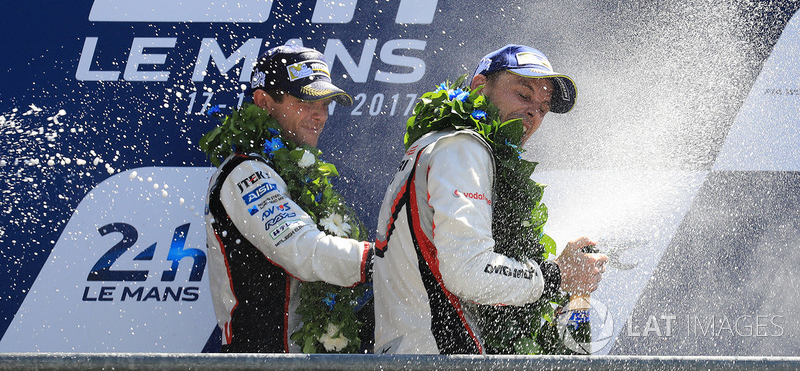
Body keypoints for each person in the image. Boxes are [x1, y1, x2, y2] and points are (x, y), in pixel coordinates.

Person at [373, 44, 608, 354]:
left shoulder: (444, 143)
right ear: (480, 87)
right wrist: (557, 275)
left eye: (543, 107)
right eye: (524, 95)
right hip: (432, 357)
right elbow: (467, 272)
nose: (533, 113)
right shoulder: (463, 148)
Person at [200, 45, 373, 353]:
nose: (319, 115)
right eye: (306, 101)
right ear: (264, 102)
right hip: (256, 362)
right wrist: (384, 258)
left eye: (325, 104)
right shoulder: (244, 172)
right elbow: (304, 251)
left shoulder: (297, 173)